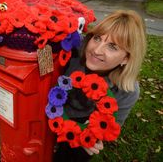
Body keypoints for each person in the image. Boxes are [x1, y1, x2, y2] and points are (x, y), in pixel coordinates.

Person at [53, 10, 147, 162]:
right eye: (97, 38)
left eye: (112, 47)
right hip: (51, 108)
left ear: (126, 59)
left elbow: (110, 126)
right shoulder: (73, 50)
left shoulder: (127, 91)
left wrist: (92, 138)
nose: (96, 50)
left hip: (84, 121)